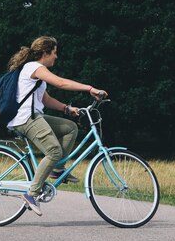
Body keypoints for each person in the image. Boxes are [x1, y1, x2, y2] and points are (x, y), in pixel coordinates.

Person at [7, 36, 107, 216]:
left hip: (34, 116)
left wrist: (67, 109)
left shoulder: (37, 72)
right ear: (45, 53)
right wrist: (89, 88)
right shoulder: (34, 67)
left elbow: (46, 99)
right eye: (54, 52)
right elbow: (61, 83)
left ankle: (57, 169)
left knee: (70, 128)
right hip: (25, 119)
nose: (56, 56)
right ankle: (32, 194)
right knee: (54, 151)